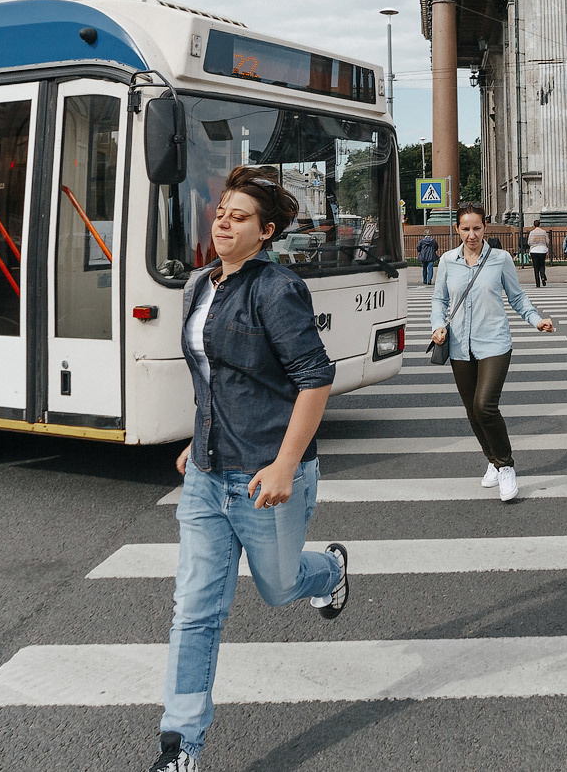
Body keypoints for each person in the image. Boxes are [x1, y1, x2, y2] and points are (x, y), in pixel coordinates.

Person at [153, 168, 347, 772]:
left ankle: (331, 569)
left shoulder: (277, 289)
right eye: (220, 212)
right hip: (209, 476)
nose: (224, 222)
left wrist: (287, 462)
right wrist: (198, 438)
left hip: (266, 477)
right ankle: (181, 744)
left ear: (264, 233)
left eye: (239, 217)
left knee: (278, 587)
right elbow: (211, 376)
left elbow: (316, 378)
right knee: (194, 608)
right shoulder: (197, 286)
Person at [430, 203, 554, 503]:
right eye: (465, 228)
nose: (471, 234)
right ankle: (493, 460)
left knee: (485, 405)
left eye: (477, 228)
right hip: (459, 345)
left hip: (495, 342)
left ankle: (506, 465)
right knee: (472, 410)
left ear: (485, 227)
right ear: (457, 230)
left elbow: (517, 296)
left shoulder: (500, 259)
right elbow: (439, 299)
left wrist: (536, 319)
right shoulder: (448, 260)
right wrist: (437, 326)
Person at [526, 219, 551, 288]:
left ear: (534, 225)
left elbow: (529, 242)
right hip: (542, 250)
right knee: (542, 265)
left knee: (536, 267)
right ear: (540, 225)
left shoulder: (532, 232)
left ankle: (537, 283)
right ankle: (543, 276)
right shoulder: (543, 232)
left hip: (534, 250)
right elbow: (547, 241)